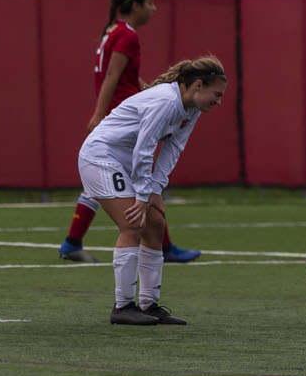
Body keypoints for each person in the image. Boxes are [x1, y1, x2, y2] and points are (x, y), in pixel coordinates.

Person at [76, 56, 229, 325]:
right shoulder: (166, 101)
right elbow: (145, 148)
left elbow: (173, 149)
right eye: (216, 94)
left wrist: (155, 188)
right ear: (197, 85)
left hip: (123, 160)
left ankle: (149, 304)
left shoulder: (191, 108)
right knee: (133, 224)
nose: (218, 101)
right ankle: (122, 307)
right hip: (99, 157)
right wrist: (144, 195)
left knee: (156, 222)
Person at [58, 0, 202, 265]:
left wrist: (147, 89)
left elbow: (124, 74)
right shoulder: (128, 35)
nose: (153, 8)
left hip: (119, 111)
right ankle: (164, 245)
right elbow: (113, 76)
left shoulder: (112, 32)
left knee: (100, 182)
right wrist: (99, 113)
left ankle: (73, 241)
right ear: (134, 5)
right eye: (149, 2)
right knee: (144, 173)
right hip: (124, 117)